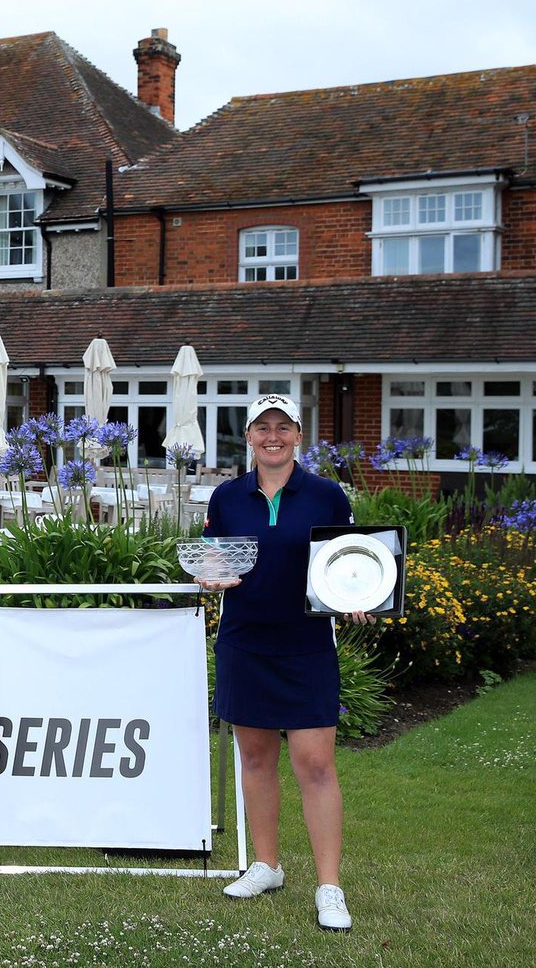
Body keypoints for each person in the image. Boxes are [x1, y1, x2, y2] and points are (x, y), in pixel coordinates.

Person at [197, 394, 373, 933]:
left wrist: (360, 592)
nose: (272, 436)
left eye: (283, 427)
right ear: (248, 437)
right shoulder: (227, 496)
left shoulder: (325, 494)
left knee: (315, 765)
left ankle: (329, 887)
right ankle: (267, 865)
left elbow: (346, 560)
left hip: (307, 645)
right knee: (254, 758)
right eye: (261, 427)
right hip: (245, 641)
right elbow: (212, 556)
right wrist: (208, 574)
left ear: (298, 435)